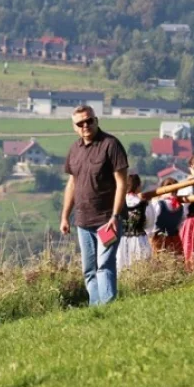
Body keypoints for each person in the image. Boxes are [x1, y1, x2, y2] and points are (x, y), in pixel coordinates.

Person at [60, 105, 129, 305]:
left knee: (104, 265)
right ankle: (95, 309)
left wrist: (115, 217)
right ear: (74, 127)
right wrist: (65, 216)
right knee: (89, 270)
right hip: (83, 222)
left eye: (89, 121)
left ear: (96, 120)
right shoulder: (74, 150)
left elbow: (122, 183)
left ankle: (108, 307)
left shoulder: (111, 145)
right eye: (80, 123)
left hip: (107, 221)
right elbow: (72, 183)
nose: (85, 125)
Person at [117, 174, 152, 272]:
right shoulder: (144, 204)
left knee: (121, 267)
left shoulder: (118, 203)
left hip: (121, 239)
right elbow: (149, 223)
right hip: (139, 238)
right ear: (138, 187)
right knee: (140, 268)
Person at [149, 178, 183, 256]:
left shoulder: (158, 204)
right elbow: (180, 224)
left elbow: (152, 222)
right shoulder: (180, 206)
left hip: (159, 239)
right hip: (175, 239)